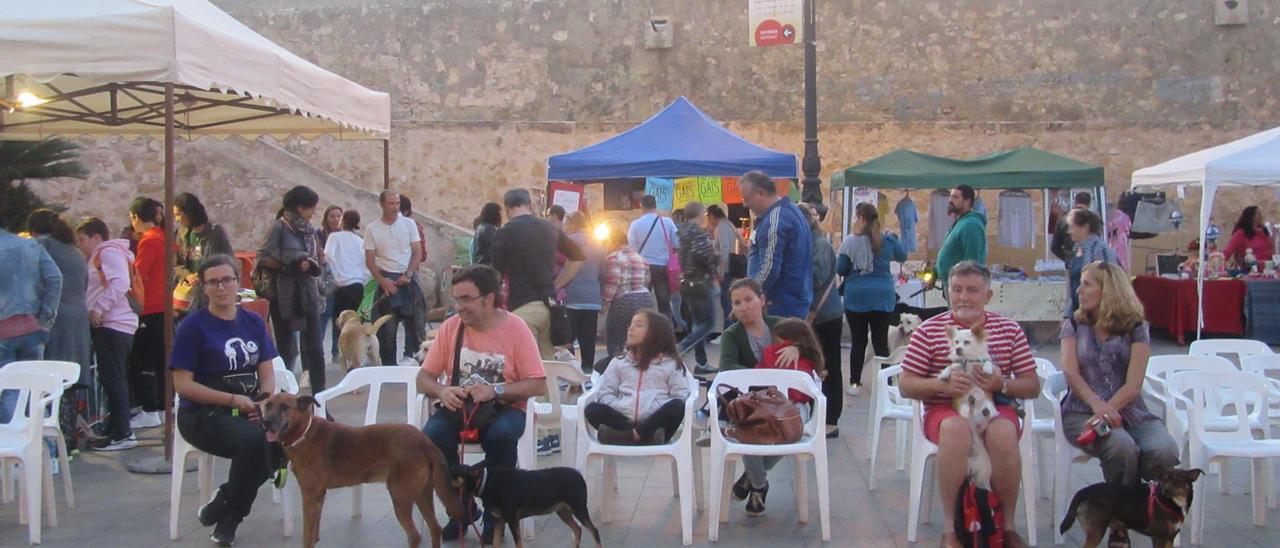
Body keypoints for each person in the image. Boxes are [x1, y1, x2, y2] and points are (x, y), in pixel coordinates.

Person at [898, 261, 1039, 548]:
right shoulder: (928, 331)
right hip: (945, 408)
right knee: (956, 429)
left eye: (972, 290)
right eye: (957, 290)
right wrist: (942, 385)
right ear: (948, 293)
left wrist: (1002, 385)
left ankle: (1008, 526)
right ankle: (951, 529)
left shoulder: (1009, 329)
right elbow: (905, 384)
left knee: (1003, 433)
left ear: (988, 295)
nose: (963, 297)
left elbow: (1033, 386)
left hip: (994, 407)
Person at [416, 265, 547, 542]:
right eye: (455, 299)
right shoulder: (452, 327)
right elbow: (424, 378)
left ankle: (494, 517)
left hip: (505, 407)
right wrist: (441, 391)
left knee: (501, 437)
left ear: (489, 298)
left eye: (466, 299)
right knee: (431, 438)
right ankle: (462, 510)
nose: (458, 306)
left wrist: (495, 390)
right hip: (459, 407)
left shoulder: (516, 329)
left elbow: (538, 384)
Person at [1060, 261, 1180, 548]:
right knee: (1121, 446)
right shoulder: (1074, 324)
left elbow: (1134, 383)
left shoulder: (1137, 327)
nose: (1080, 289)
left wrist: (1110, 407)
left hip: (1131, 410)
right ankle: (1119, 523)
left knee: (1164, 449)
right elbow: (1070, 372)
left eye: (1087, 283)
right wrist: (1098, 406)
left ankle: (1140, 513)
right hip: (1081, 410)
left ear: (1108, 289)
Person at [171, 254, 281, 547]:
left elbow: (267, 374)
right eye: (213, 282)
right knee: (256, 443)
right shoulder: (192, 327)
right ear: (204, 287)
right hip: (203, 414)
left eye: (227, 280)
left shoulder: (253, 322)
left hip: (250, 407)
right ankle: (230, 518)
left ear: (238, 282)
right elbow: (182, 384)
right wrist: (233, 399)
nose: (221, 287)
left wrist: (264, 402)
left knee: (288, 438)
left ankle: (223, 502)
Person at [490, 188, 585, 359]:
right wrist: (560, 282)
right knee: (546, 366)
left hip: (521, 305)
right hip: (549, 306)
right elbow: (578, 256)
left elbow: (496, 274)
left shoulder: (504, 232)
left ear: (507, 208)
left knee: (522, 366)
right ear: (529, 204)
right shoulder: (550, 228)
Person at [75, 218, 139, 450]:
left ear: (96, 237)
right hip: (115, 324)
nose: (80, 245)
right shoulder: (107, 254)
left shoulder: (108, 253)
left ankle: (123, 432)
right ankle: (116, 428)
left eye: (82, 239)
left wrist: (99, 309)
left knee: (114, 378)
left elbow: (119, 283)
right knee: (112, 377)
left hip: (113, 323)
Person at [586, 309, 690, 445]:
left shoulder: (670, 364)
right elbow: (605, 392)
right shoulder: (619, 362)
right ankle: (637, 437)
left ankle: (627, 437)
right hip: (623, 419)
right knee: (592, 409)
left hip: (655, 424)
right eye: (630, 324)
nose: (631, 329)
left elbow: (680, 395)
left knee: (677, 407)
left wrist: (651, 411)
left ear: (656, 334)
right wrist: (621, 406)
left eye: (639, 325)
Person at [259, 185, 326, 390]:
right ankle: (282, 395)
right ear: (300, 208)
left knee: (315, 349)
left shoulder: (310, 231)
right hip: (284, 293)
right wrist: (290, 264)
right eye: (311, 207)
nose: (314, 212)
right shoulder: (279, 227)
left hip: (307, 292)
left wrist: (311, 264)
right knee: (286, 349)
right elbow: (262, 257)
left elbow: (317, 257)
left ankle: (319, 399)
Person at [838, 202, 908, 398]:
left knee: (858, 342)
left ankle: (854, 383)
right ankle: (885, 384)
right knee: (880, 341)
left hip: (857, 296)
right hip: (882, 295)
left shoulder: (850, 242)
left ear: (860, 218)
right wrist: (895, 239)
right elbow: (902, 256)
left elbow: (840, 269)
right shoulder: (886, 240)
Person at [0, 212, 62, 422]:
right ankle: (46, 450)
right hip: (33, 328)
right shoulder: (30, 246)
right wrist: (45, 316)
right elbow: (55, 278)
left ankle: (15, 448)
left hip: (3, 332)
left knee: (10, 392)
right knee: (34, 390)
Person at [28, 210, 91, 387]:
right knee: (68, 381)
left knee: (48, 380)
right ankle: (66, 415)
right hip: (78, 320)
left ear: (33, 230)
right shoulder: (75, 252)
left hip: (53, 320)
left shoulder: (40, 246)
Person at [797, 203, 844, 437]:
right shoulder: (809, 244)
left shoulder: (820, 245)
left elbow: (816, 277)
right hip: (814, 314)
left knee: (829, 366)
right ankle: (816, 413)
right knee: (814, 366)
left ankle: (831, 418)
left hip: (825, 314)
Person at [738, 171, 811, 318]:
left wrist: (746, 299)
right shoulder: (791, 211)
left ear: (760, 193)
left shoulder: (774, 220)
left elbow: (769, 268)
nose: (745, 204)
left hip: (779, 306)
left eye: (747, 198)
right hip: (792, 304)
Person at [364, 189, 425, 366]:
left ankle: (422, 366)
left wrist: (409, 274)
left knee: (416, 325)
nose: (395, 207)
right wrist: (383, 282)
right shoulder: (372, 229)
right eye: (391, 203)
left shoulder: (409, 224)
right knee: (387, 330)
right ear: (382, 204)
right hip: (386, 279)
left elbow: (417, 252)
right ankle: (389, 367)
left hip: (408, 279)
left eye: (397, 203)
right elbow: (369, 260)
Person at [127, 196, 168, 429]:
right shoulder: (164, 239)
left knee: (142, 360)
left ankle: (149, 408)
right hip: (162, 306)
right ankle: (161, 406)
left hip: (149, 307)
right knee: (159, 359)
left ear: (135, 217)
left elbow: (139, 275)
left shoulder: (149, 241)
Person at [675, 202, 720, 375]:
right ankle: (682, 348)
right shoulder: (698, 233)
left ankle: (701, 363)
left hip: (686, 281)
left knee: (697, 324)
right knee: (708, 324)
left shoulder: (681, 232)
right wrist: (714, 271)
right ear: (700, 214)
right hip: (701, 281)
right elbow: (704, 256)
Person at [601, 224, 657, 362]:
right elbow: (647, 280)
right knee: (640, 338)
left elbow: (613, 283)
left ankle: (618, 367)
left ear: (611, 242)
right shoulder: (640, 258)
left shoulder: (614, 258)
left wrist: (605, 303)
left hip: (624, 301)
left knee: (617, 339)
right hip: (644, 298)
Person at [174, 192, 234, 314]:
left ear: (189, 213)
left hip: (212, 293)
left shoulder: (216, 233)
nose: (177, 219)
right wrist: (187, 275)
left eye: (179, 214)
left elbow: (229, 261)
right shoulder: (181, 234)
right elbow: (175, 263)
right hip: (189, 296)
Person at [561, 211, 604, 372]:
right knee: (588, 339)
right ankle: (587, 371)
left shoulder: (567, 241)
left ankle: (571, 372)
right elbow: (603, 270)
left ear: (572, 224)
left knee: (567, 338)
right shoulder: (598, 242)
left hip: (569, 296)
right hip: (592, 297)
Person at [627, 195, 680, 318]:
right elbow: (677, 243)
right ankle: (666, 332)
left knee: (642, 304)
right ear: (655, 205)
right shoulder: (667, 222)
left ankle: (644, 329)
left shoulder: (635, 224)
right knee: (664, 303)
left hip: (643, 267)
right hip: (662, 266)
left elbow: (632, 248)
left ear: (641, 205)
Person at [323, 210, 371, 344]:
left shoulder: (334, 237)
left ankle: (338, 349)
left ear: (343, 220)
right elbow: (366, 265)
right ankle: (353, 346)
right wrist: (362, 281)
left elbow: (328, 257)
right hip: (357, 285)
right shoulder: (360, 241)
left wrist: (335, 277)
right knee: (353, 319)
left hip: (341, 285)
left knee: (338, 320)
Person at [717, 278, 782, 373]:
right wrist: (764, 376)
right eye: (737, 303)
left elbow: (808, 347)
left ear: (762, 300)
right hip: (749, 387)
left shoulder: (780, 324)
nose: (743, 308)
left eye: (748, 300)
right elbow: (726, 366)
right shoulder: (731, 335)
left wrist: (796, 349)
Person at [1065, 208, 1120, 318]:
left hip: (1098, 314)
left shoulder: (1100, 250)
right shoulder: (1075, 250)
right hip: (1078, 312)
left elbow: (1109, 284)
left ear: (1085, 227)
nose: (1069, 231)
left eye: (1072, 226)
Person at [933, 185, 987, 295]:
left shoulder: (971, 224)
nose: (950, 200)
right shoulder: (960, 222)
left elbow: (972, 261)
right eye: (950, 197)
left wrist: (965, 289)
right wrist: (934, 274)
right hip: (953, 285)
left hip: (962, 290)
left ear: (967, 201)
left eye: (955, 197)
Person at [706, 204, 747, 336]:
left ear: (712, 216)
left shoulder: (721, 227)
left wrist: (721, 269)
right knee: (729, 301)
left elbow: (723, 248)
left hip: (727, 268)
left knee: (726, 302)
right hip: (734, 266)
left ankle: (728, 332)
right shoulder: (729, 224)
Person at [317, 205, 344, 361]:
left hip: (342, 282)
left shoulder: (344, 236)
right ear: (326, 218)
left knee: (339, 318)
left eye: (339, 216)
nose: (336, 219)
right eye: (332, 216)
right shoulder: (318, 235)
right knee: (324, 315)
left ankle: (337, 350)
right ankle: (318, 350)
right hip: (326, 282)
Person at [1051, 191, 1092, 262]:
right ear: (1089, 204)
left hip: (1071, 261)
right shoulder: (1093, 219)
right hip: (1089, 262)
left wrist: (1067, 258)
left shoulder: (1063, 220)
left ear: (1075, 202)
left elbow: (1054, 247)